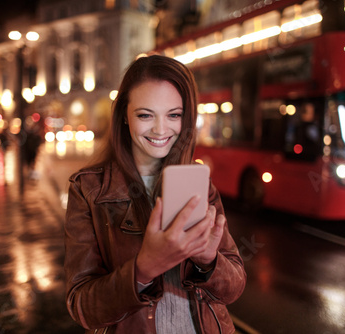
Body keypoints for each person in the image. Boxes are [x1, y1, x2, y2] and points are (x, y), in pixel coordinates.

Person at [64, 55, 246, 334]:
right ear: (124, 115)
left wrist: (210, 263)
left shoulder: (198, 182)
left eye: (173, 115)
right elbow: (82, 306)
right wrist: (143, 270)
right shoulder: (88, 189)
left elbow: (233, 289)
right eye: (145, 115)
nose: (161, 130)